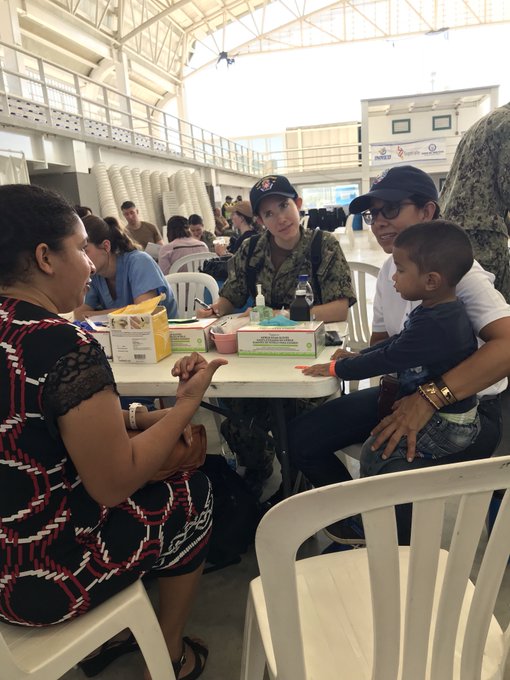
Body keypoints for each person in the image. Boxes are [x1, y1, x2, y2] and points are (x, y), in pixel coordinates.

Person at [0, 183, 227, 680]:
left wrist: (136, 419)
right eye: (80, 248)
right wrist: (183, 408)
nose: (88, 264)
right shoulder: (61, 344)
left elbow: (32, 428)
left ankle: (115, 634)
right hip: (42, 583)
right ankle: (168, 656)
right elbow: (113, 482)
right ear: (45, 257)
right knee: (194, 492)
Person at [289, 164, 510, 544]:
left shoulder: (459, 276)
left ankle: (399, 556)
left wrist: (431, 397)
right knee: (302, 439)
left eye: (391, 210)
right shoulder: (394, 269)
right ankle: (365, 529)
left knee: (390, 471)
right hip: (408, 391)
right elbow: (385, 345)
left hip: (467, 410)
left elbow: (506, 345)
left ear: (427, 211)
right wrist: (352, 355)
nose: (379, 223)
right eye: (374, 215)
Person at [198, 174, 355, 496]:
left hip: (307, 353)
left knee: (301, 421)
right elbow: (233, 292)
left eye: (284, 205)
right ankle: (258, 468)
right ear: (259, 220)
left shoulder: (322, 246)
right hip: (259, 352)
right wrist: (216, 309)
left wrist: (288, 316)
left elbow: (339, 308)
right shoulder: (251, 250)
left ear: (297, 204)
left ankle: (299, 475)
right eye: (268, 213)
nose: (280, 217)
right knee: (238, 416)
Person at [303, 220, 480, 476]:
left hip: (450, 424)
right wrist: (359, 354)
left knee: (376, 452)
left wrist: (336, 368)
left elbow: (389, 357)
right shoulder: (434, 310)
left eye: (400, 270)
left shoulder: (438, 324)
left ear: (431, 280)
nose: (393, 277)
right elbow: (398, 341)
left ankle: (374, 513)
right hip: (443, 411)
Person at [440, 102, 510, 302]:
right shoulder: (507, 124)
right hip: (482, 240)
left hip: (451, 237)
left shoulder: (484, 123)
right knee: (494, 317)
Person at [74, 214, 178, 320]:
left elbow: (143, 315)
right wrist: (128, 312)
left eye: (85, 250)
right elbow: (79, 315)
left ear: (106, 246)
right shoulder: (95, 275)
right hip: (124, 335)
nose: (80, 258)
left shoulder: (140, 262)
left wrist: (96, 315)